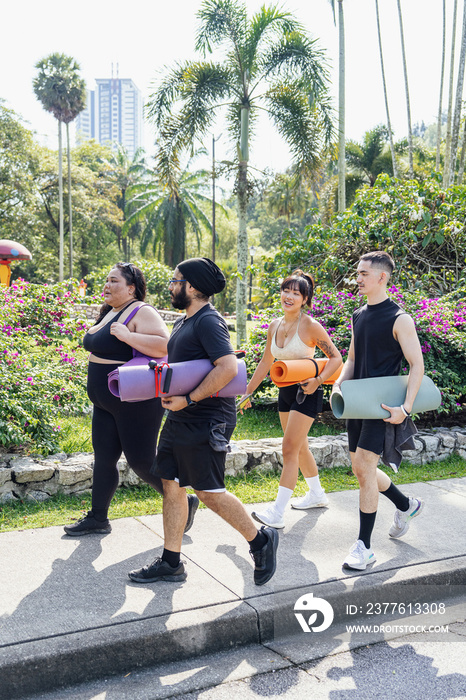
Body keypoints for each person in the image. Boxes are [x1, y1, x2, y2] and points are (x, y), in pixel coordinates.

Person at [128, 257, 278, 586]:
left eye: (175, 279)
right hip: (181, 415)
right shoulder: (185, 321)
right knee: (171, 483)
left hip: (207, 417)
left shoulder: (209, 322)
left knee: (208, 491)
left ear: (192, 287)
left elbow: (226, 367)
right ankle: (171, 562)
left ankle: (261, 540)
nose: (170, 285)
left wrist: (189, 399)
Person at [64, 262, 199, 536]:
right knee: (103, 458)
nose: (107, 285)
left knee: (141, 461)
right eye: (106, 280)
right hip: (105, 402)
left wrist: (129, 335)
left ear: (131, 288)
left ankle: (184, 500)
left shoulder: (141, 311)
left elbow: (165, 345)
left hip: (133, 402)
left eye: (114, 281)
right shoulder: (110, 311)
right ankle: (98, 518)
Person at [330, 251, 425, 571]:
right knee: (361, 470)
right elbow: (353, 359)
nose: (357, 279)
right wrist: (338, 384)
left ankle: (364, 547)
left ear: (381, 277)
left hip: (383, 407)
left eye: (363, 274)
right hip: (358, 403)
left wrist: (406, 408)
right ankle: (406, 505)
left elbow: (416, 365)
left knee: (365, 468)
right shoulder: (358, 315)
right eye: (357, 274)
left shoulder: (400, 319)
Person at [238, 270, 342, 529]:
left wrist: (317, 381)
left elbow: (336, 358)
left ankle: (277, 511)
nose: (289, 296)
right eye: (286, 290)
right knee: (300, 446)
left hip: (307, 391)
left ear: (305, 299)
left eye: (296, 293)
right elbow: (266, 361)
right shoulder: (275, 325)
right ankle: (317, 494)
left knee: (289, 448)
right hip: (285, 391)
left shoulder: (310, 326)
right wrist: (247, 392)